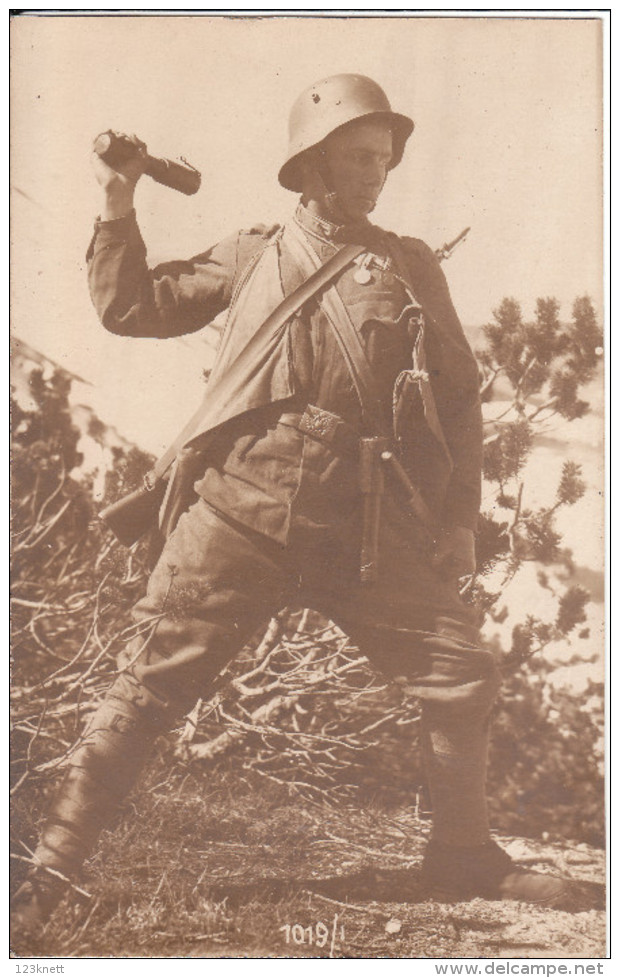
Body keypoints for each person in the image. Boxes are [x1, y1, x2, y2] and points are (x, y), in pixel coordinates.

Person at [12, 73, 580, 934]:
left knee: (462, 674)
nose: (376, 176)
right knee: (149, 687)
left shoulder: (411, 265)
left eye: (384, 162)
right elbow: (130, 307)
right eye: (358, 159)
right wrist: (118, 199)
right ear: (310, 165)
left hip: (365, 526)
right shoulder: (254, 254)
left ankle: (461, 854)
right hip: (238, 514)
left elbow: (460, 399)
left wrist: (461, 521)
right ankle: (50, 872)